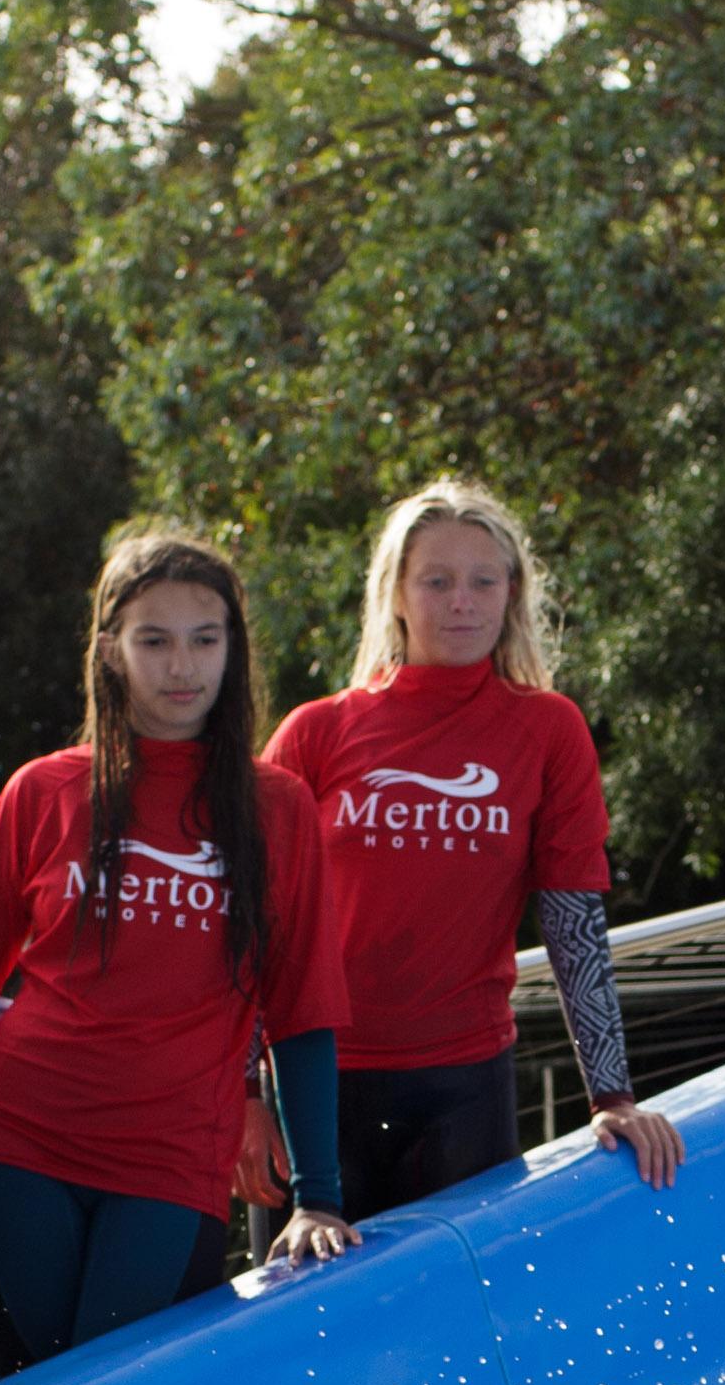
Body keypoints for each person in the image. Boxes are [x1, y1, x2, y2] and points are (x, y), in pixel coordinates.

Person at [0, 524, 355, 1368]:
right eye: (154, 641)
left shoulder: (279, 808)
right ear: (110, 650)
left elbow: (304, 1009)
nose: (181, 666)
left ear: (233, 650)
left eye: (204, 640)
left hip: (171, 1163)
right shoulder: (43, 791)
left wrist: (318, 1198)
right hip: (15, 1143)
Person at [258, 478, 680, 1213]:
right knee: (317, 1325)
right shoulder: (315, 734)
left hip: (464, 1085)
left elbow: (572, 919)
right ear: (394, 593)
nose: (462, 601)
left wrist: (612, 1095)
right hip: (315, 1084)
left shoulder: (549, 730)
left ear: (511, 594)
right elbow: (250, 929)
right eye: (437, 581)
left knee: (458, 1323)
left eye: (484, 581)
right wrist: (237, 1099)